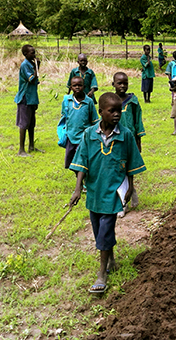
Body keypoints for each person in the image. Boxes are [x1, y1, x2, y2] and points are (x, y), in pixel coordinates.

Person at [69, 92, 147, 294]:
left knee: (104, 230)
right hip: (95, 190)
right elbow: (81, 162)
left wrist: (130, 186)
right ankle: (111, 259)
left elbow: (132, 162)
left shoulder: (126, 135)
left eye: (119, 110)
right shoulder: (88, 135)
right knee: (98, 230)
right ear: (100, 111)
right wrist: (78, 189)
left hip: (113, 192)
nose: (116, 115)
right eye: (111, 111)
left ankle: (101, 274)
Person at [112, 72, 145, 216]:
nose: (122, 86)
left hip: (130, 141)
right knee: (119, 170)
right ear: (113, 84)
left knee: (128, 170)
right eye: (119, 83)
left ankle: (127, 197)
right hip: (115, 141)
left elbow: (138, 122)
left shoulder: (133, 101)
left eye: (125, 83)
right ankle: (125, 198)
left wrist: (139, 141)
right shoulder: (111, 101)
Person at [62, 76, 99, 172]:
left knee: (82, 161)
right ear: (71, 87)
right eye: (74, 86)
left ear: (84, 86)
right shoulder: (67, 101)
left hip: (84, 137)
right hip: (70, 136)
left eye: (80, 85)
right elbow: (64, 117)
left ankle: (83, 182)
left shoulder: (89, 102)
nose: (77, 87)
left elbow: (94, 120)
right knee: (72, 162)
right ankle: (79, 179)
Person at [15, 44, 41, 157]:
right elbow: (31, 79)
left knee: (31, 123)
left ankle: (31, 146)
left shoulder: (31, 64)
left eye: (34, 52)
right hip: (25, 97)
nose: (34, 55)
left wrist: (36, 67)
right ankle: (21, 150)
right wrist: (36, 67)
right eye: (32, 53)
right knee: (24, 124)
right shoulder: (25, 65)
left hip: (32, 98)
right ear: (25, 54)